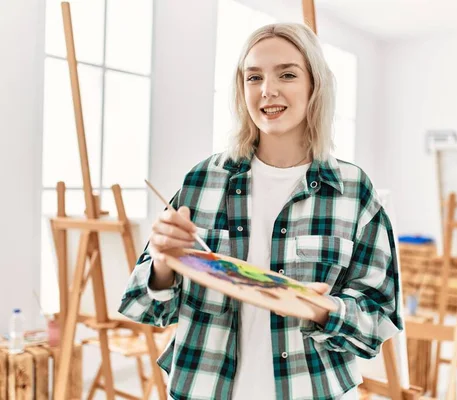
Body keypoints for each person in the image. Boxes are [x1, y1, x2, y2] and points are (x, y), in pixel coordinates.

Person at [119, 22, 402, 400]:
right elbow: (146, 307)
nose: (268, 90)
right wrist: (163, 263)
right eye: (254, 77)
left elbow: (379, 320)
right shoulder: (204, 180)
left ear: (314, 85)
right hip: (203, 387)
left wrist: (323, 309)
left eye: (287, 74)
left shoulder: (352, 190)